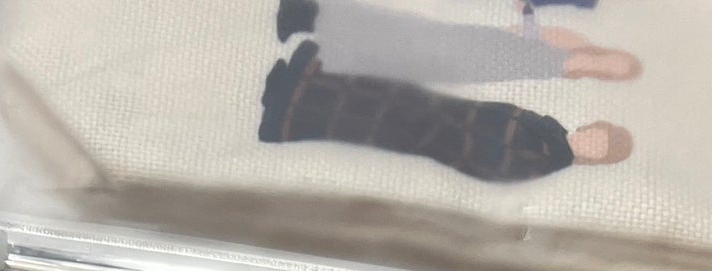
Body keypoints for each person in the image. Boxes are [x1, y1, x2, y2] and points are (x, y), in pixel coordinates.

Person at [261, 41, 633, 184]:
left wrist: (446, 139)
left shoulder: (549, 157)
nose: (587, 140)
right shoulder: (551, 130)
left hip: (438, 133)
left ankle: (285, 113)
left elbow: (494, 167)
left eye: (595, 147)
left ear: (591, 159)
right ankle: (298, 82)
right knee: (383, 91)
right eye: (594, 134)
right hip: (447, 113)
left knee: (361, 119)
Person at [275, 0, 642, 87]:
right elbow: (525, 28)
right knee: (402, 34)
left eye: (613, 72)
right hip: (480, 47)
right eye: (614, 61)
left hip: (478, 70)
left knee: (398, 62)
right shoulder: (574, 43)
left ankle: (315, 53)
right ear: (609, 54)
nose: (607, 66)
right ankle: (305, 15)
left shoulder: (571, 73)